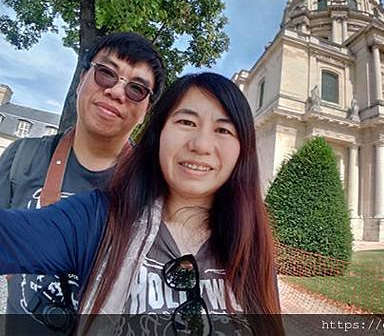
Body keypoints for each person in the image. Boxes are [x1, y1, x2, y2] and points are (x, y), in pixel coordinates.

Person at [0, 73, 282, 335]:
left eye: (224, 130)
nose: (201, 145)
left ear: (242, 150)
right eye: (186, 122)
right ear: (158, 134)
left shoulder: (251, 245)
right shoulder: (98, 220)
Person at [0, 32, 165, 334]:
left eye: (137, 89)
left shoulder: (157, 190)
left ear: (145, 112)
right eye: (106, 73)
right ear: (81, 79)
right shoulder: (21, 157)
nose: (117, 92)